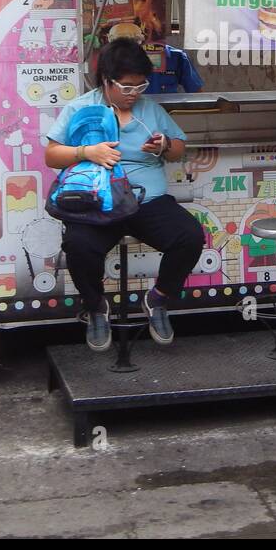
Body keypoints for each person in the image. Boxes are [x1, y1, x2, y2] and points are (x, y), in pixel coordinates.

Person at [44, 38, 203, 352]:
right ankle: (96, 307)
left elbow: (179, 148)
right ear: (106, 81)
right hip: (98, 201)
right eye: (127, 87)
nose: (134, 94)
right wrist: (87, 151)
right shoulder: (81, 109)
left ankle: (157, 300)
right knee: (79, 246)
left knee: (190, 237)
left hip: (148, 201)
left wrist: (164, 146)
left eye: (140, 86)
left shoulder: (150, 110)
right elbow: (52, 156)